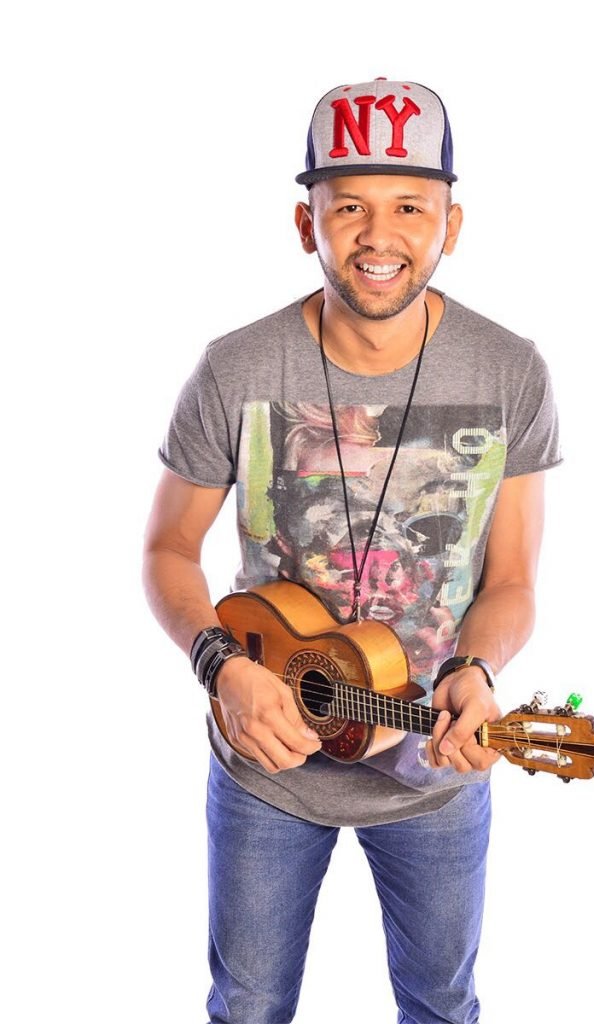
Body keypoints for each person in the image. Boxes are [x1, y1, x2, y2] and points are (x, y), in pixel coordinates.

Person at [142, 77, 562, 1024]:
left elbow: (512, 581)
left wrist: (475, 671)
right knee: (247, 1004)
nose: (379, 235)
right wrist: (219, 666)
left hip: (431, 774)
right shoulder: (236, 368)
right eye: (348, 207)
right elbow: (168, 548)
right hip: (264, 762)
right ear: (307, 224)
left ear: (451, 225)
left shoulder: (509, 371)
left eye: (409, 206)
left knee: (441, 1004)